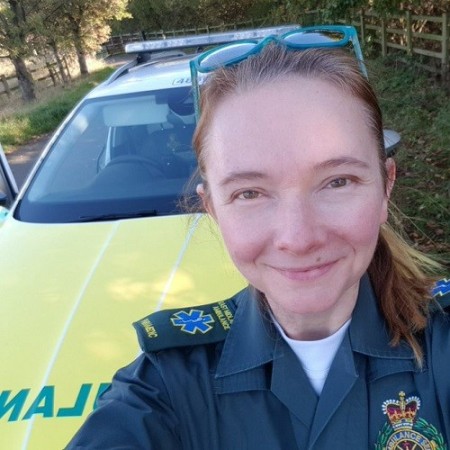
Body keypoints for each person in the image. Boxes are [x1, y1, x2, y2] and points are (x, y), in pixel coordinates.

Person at [67, 26, 449, 449]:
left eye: (337, 182)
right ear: (213, 209)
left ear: (385, 186)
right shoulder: (166, 386)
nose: (298, 237)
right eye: (249, 193)